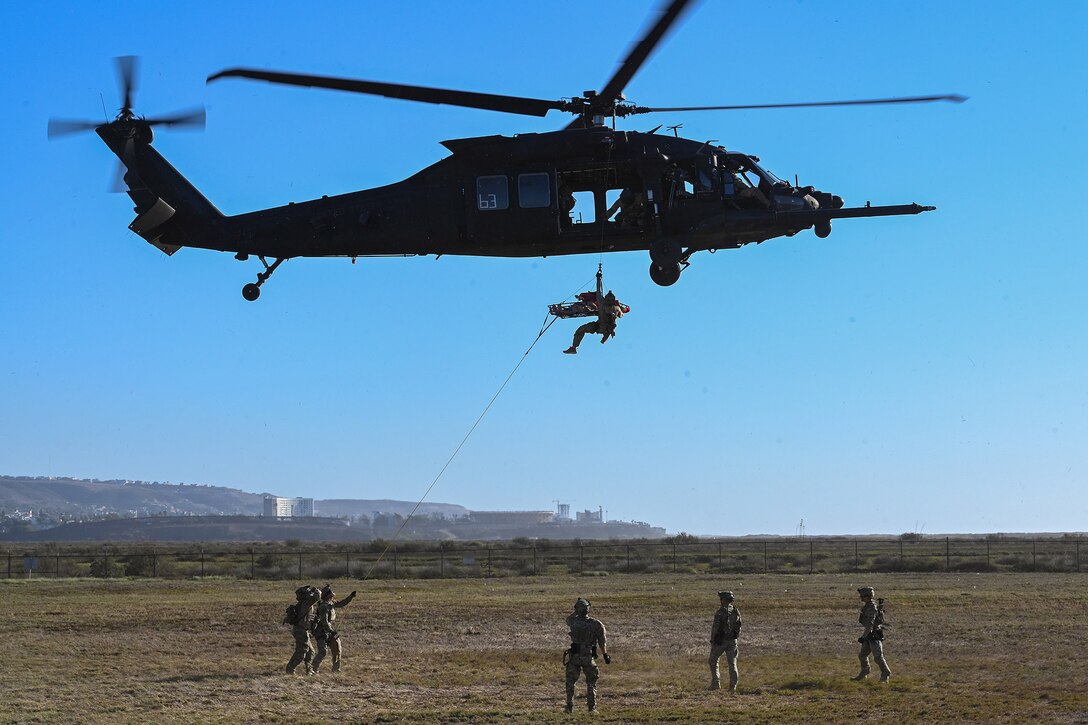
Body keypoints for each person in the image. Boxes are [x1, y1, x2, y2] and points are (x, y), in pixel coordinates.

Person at [564, 597, 609, 713]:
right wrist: (605, 655)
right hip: (588, 656)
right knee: (591, 682)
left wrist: (576, 610)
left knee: (570, 682)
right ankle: (592, 708)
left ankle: (569, 707)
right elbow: (602, 642)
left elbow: (568, 619)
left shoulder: (573, 622)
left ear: (577, 609)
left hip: (574, 656)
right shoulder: (596, 624)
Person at [563, 270, 625, 354]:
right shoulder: (610, 306)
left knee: (581, 329)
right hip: (599, 325)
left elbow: (599, 293)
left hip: (604, 328)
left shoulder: (609, 306)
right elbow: (599, 292)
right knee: (581, 329)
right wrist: (599, 279)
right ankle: (573, 348)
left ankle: (574, 347)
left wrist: (598, 278)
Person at [312, 584, 358, 673]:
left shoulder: (331, 603)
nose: (333, 596)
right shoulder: (323, 607)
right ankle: (313, 669)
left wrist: (350, 597)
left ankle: (336, 670)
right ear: (328, 596)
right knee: (322, 652)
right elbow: (324, 621)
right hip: (321, 632)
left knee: (337, 650)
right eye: (331, 595)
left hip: (329, 631)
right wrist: (331, 631)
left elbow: (341, 603)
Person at [852, 586, 892, 682]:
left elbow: (870, 624)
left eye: (862, 596)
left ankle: (885, 674)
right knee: (862, 655)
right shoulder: (868, 606)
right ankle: (865, 672)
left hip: (874, 635)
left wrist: (863, 637)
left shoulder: (871, 608)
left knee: (878, 657)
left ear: (867, 596)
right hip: (869, 635)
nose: (861, 597)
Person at [285, 584, 322, 675]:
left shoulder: (302, 603)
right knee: (302, 652)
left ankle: (309, 670)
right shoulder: (306, 603)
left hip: (301, 630)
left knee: (310, 651)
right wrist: (315, 590)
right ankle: (290, 669)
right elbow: (318, 596)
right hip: (301, 630)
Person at [709, 590, 742, 692]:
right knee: (732, 664)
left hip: (721, 641)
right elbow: (739, 626)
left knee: (713, 660)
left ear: (723, 600)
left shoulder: (720, 612)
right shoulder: (736, 611)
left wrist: (712, 640)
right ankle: (733, 687)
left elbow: (715, 628)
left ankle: (716, 683)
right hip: (732, 641)